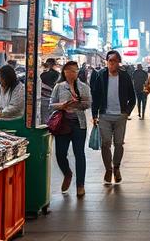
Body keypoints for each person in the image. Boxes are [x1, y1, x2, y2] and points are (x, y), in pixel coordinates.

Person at [89, 50, 136, 184]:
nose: (112, 63)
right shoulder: (101, 75)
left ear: (119, 62)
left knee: (119, 144)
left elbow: (132, 98)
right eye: (110, 61)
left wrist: (127, 112)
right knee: (105, 144)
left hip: (120, 116)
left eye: (115, 61)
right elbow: (96, 96)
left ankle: (116, 167)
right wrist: (94, 115)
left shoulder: (125, 76)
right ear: (107, 62)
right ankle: (108, 169)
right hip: (104, 115)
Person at [50, 60, 92, 197]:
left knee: (79, 154)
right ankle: (67, 173)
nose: (71, 73)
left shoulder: (84, 86)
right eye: (68, 70)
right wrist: (61, 105)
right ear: (64, 72)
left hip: (79, 124)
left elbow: (89, 103)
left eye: (74, 70)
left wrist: (78, 103)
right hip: (62, 124)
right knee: (60, 154)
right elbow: (51, 104)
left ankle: (80, 185)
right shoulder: (59, 87)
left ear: (77, 72)